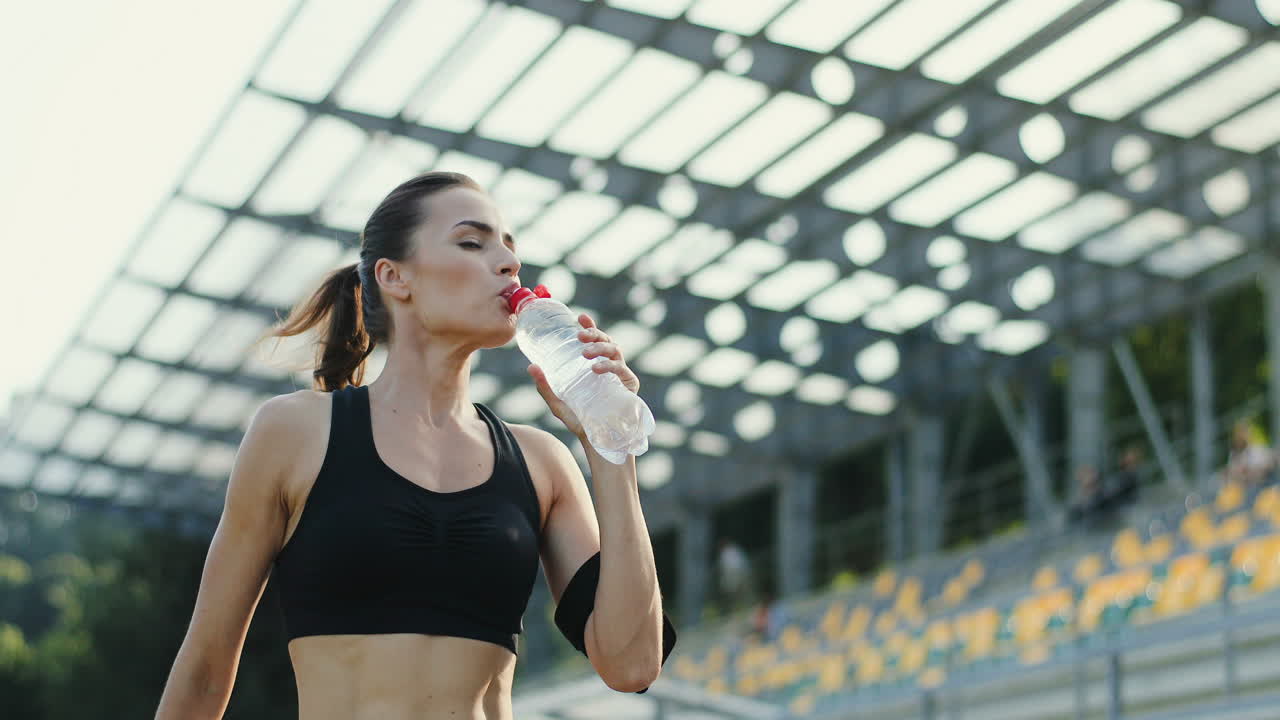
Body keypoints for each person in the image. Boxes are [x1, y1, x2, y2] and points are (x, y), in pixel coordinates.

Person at [154, 172, 675, 720]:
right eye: (472, 243)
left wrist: (609, 444)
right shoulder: (295, 432)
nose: (508, 263)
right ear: (395, 277)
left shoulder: (541, 462)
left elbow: (632, 665)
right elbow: (206, 670)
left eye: (509, 247)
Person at [1223, 420, 1276, 487]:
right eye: (1240, 432)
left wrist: (1250, 472)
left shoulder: (1258, 450)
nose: (1241, 436)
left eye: (1244, 432)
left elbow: (1269, 464)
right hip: (1240, 490)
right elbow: (1230, 473)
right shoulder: (1234, 454)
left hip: (1258, 488)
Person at [717, 537, 753, 614]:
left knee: (740, 594)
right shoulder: (727, 552)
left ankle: (743, 608)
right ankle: (734, 610)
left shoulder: (732, 551)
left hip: (738, 575)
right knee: (733, 595)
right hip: (735, 576)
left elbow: (737, 565)